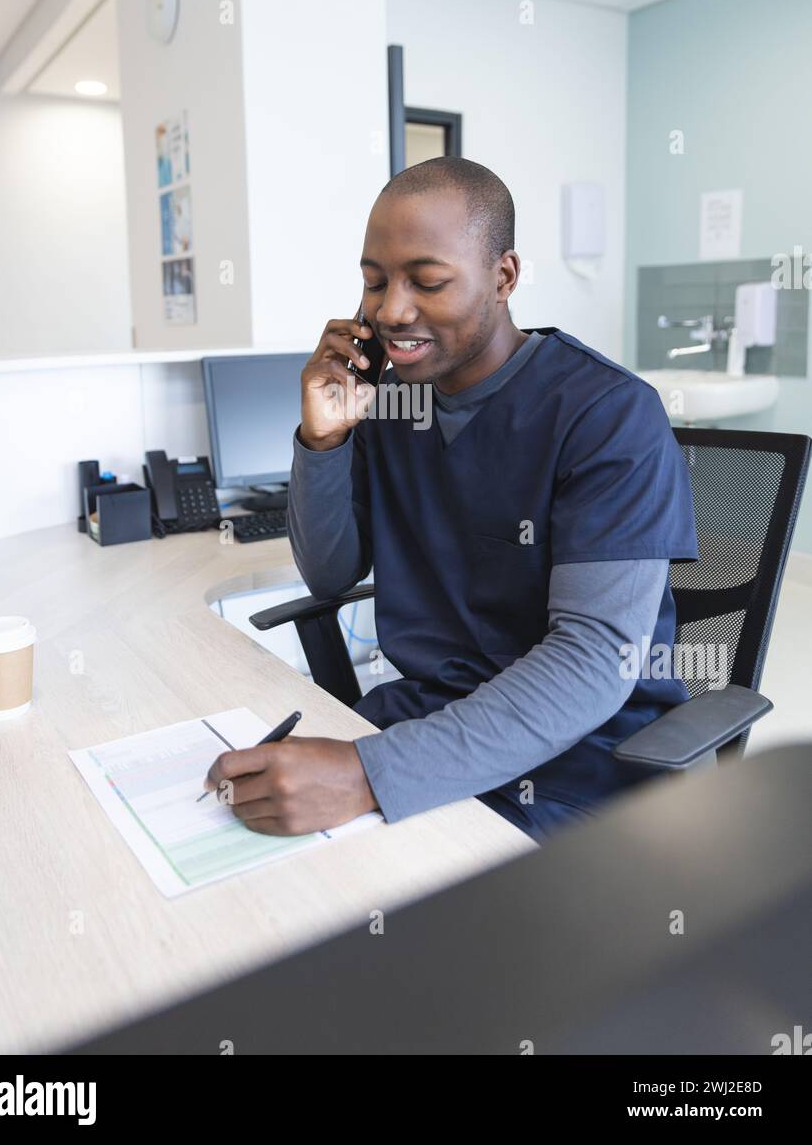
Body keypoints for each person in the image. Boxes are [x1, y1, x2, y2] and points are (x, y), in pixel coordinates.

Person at [204, 157, 698, 844]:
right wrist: (322, 441)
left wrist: (364, 775)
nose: (390, 311)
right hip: (427, 718)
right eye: (373, 283)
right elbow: (329, 572)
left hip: (580, 757)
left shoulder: (607, 414)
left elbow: (592, 660)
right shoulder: (393, 403)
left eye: (426, 281)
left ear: (503, 277)